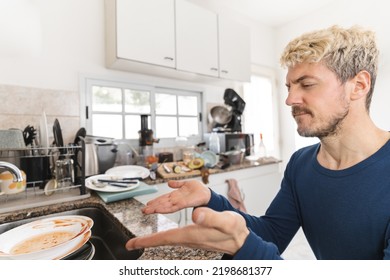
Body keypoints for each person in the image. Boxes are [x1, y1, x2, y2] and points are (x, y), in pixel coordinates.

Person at [125, 25, 390, 260]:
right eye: (289, 87)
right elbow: (272, 233)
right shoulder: (301, 164)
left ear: (358, 85)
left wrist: (247, 248)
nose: (290, 99)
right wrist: (212, 199)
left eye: (306, 84)